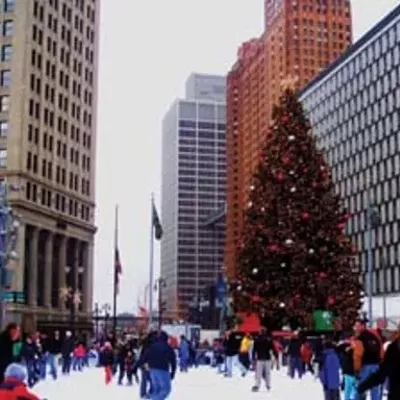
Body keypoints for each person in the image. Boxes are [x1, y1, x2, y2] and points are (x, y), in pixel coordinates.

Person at [357, 325, 400, 400]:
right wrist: (364, 385)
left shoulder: (394, 348)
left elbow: (382, 374)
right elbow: (382, 373)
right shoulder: (393, 348)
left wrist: (364, 385)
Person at [134, 331, 176, 400]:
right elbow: (173, 360)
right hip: (163, 370)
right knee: (166, 389)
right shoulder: (167, 347)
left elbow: (144, 357)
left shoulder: (152, 346)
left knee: (156, 390)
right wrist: (173, 372)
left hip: (152, 370)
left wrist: (136, 366)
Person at [353, 319, 383, 400]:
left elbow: (357, 356)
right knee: (375, 389)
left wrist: (356, 369)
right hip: (376, 366)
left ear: (363, 326)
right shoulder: (375, 336)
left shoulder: (360, 338)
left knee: (361, 388)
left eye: (358, 326)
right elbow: (381, 350)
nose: (356, 328)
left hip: (365, 366)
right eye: (356, 326)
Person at [251, 327, 277, 392]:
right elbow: (273, 348)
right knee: (267, 373)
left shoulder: (257, 339)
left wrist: (253, 357)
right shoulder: (268, 339)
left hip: (260, 358)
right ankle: (268, 385)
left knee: (258, 373)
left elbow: (254, 350)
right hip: (267, 358)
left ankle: (257, 386)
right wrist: (276, 355)